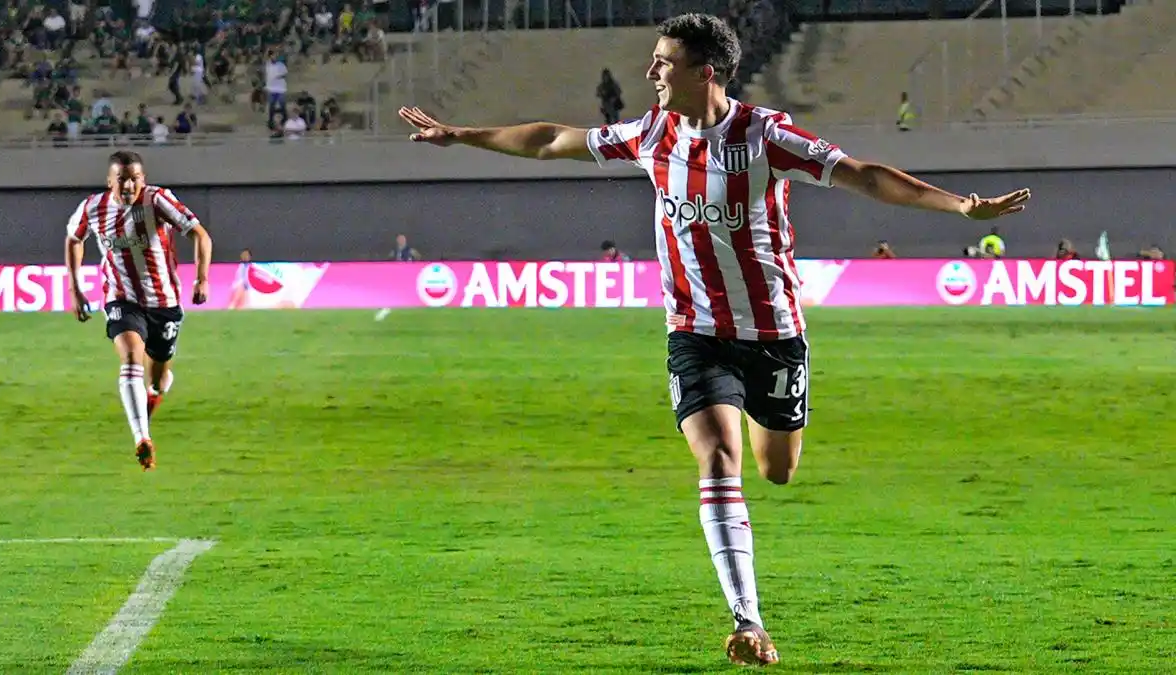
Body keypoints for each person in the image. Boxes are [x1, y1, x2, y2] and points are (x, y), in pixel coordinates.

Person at [398, 12, 1029, 668]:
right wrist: (461, 135)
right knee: (718, 460)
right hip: (694, 332)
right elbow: (554, 138)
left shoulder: (767, 137)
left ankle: (757, 526)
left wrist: (959, 206)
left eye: (663, 63)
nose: (650, 74)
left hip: (775, 335)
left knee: (777, 470)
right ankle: (747, 617)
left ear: (705, 73)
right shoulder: (650, 133)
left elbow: (864, 175)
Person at [64, 150, 213, 471]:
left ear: (142, 180)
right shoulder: (92, 208)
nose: (129, 185)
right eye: (122, 180)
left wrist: (202, 279)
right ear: (110, 182)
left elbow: (200, 234)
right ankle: (142, 438)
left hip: (164, 303)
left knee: (159, 374)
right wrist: (75, 289)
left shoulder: (158, 201)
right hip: (121, 298)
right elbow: (74, 239)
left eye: (135, 179)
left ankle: (156, 392)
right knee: (131, 356)